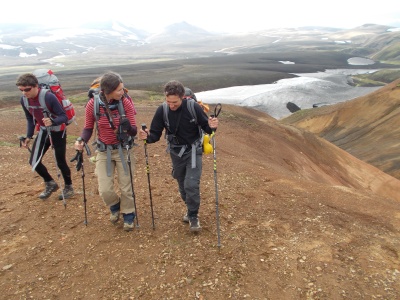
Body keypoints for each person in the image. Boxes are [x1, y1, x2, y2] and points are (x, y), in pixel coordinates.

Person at [138, 80, 219, 232]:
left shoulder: (192, 107)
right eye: (168, 101)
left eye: (174, 102)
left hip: (194, 151)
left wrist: (213, 125)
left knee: (191, 185)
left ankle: (193, 216)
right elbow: (155, 134)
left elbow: (207, 128)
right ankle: (190, 209)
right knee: (182, 186)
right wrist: (146, 136)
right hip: (176, 153)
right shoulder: (162, 110)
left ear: (182, 97)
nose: (171, 105)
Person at [74, 72, 138, 231]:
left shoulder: (126, 103)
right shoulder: (93, 105)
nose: (122, 92)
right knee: (105, 189)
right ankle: (115, 206)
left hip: (123, 149)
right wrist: (81, 140)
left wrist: (127, 126)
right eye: (119, 90)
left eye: (122, 89)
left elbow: (134, 131)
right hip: (104, 150)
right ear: (107, 91)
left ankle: (129, 214)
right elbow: (88, 128)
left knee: (126, 186)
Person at [17, 73, 74, 200]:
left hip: (58, 131)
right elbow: (30, 118)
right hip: (43, 131)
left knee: (60, 161)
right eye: (21, 90)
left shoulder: (48, 97)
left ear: (35, 86)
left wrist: (52, 121)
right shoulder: (24, 100)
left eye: (27, 89)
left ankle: (69, 187)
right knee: (33, 161)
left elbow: (63, 116)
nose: (24, 93)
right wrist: (28, 136)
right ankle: (50, 183)